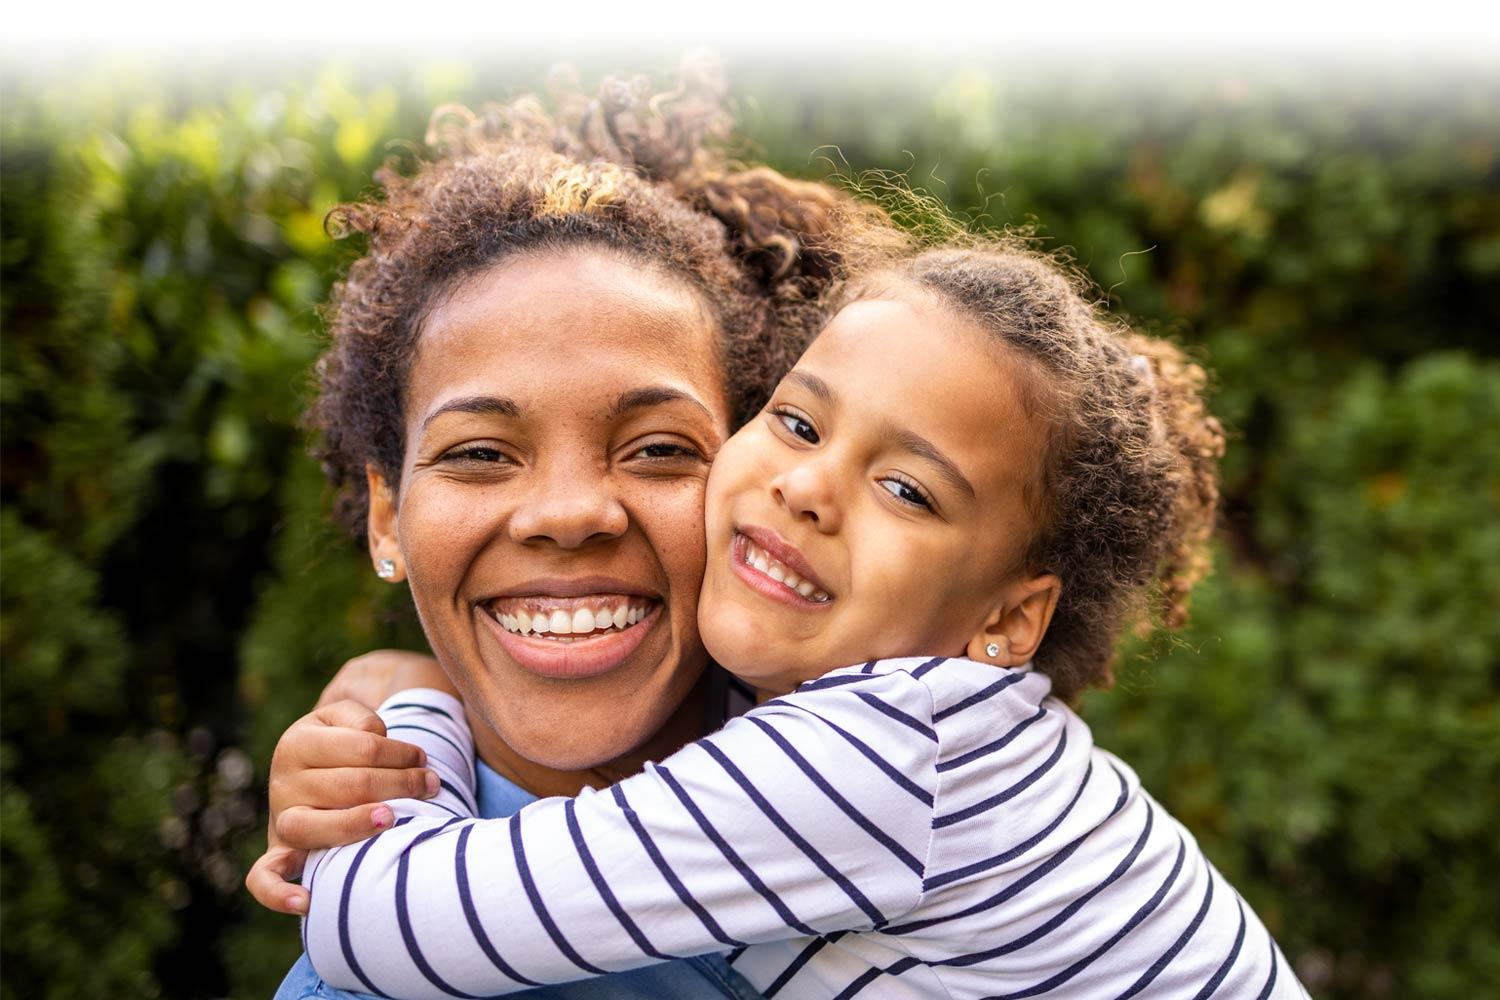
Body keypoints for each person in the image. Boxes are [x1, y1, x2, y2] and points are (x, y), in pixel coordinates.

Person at [289, 238, 1312, 998]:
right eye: (798, 421)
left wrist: (411, 736)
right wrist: (384, 686)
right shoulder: (875, 720)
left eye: (910, 491)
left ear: (1007, 618)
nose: (810, 488)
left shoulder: (874, 760)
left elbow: (374, 925)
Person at [249, 62, 893, 1000]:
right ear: (389, 517)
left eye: (660, 449)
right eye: (478, 453)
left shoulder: (902, 791)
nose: (569, 514)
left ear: (758, 482)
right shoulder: (376, 963)